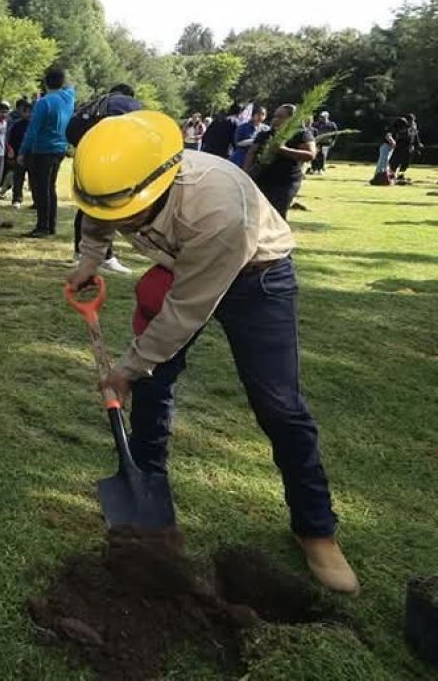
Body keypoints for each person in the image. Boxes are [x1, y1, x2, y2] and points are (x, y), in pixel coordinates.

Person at [67, 111, 358, 595]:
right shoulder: (116, 181)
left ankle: (316, 530)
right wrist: (88, 261)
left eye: (125, 213)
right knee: (152, 386)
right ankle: (150, 518)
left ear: (159, 182)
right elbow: (97, 218)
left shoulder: (218, 210)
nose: (115, 221)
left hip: (256, 278)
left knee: (280, 406)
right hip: (178, 265)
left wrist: (126, 366)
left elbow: (184, 312)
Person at [65, 83, 143, 273]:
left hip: (88, 153)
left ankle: (82, 252)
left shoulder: (95, 103)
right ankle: (103, 256)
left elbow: (72, 132)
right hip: (107, 156)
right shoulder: (126, 104)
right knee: (107, 206)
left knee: (88, 205)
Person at [19, 68, 75, 237]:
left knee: (40, 188)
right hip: (60, 147)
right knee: (50, 187)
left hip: (42, 149)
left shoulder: (45, 102)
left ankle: (42, 226)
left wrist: (23, 151)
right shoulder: (68, 100)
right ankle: (51, 225)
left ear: (45, 82)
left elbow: (33, 129)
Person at [244, 104, 316, 220]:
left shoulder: (301, 134)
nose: (275, 120)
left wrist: (282, 150)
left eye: (280, 117)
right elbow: (251, 153)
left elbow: (310, 155)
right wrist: (246, 173)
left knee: (276, 215)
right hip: (261, 179)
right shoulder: (265, 135)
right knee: (256, 214)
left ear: (291, 119)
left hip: (285, 182)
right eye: (275, 116)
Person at [2, 99, 32, 207]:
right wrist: (11, 151)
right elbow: (10, 140)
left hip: (32, 155)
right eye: (25, 112)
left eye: (30, 112)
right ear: (22, 112)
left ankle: (36, 200)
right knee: (18, 178)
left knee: (33, 179)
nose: (28, 114)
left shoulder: (34, 126)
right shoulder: (16, 125)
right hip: (18, 154)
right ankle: (17, 199)